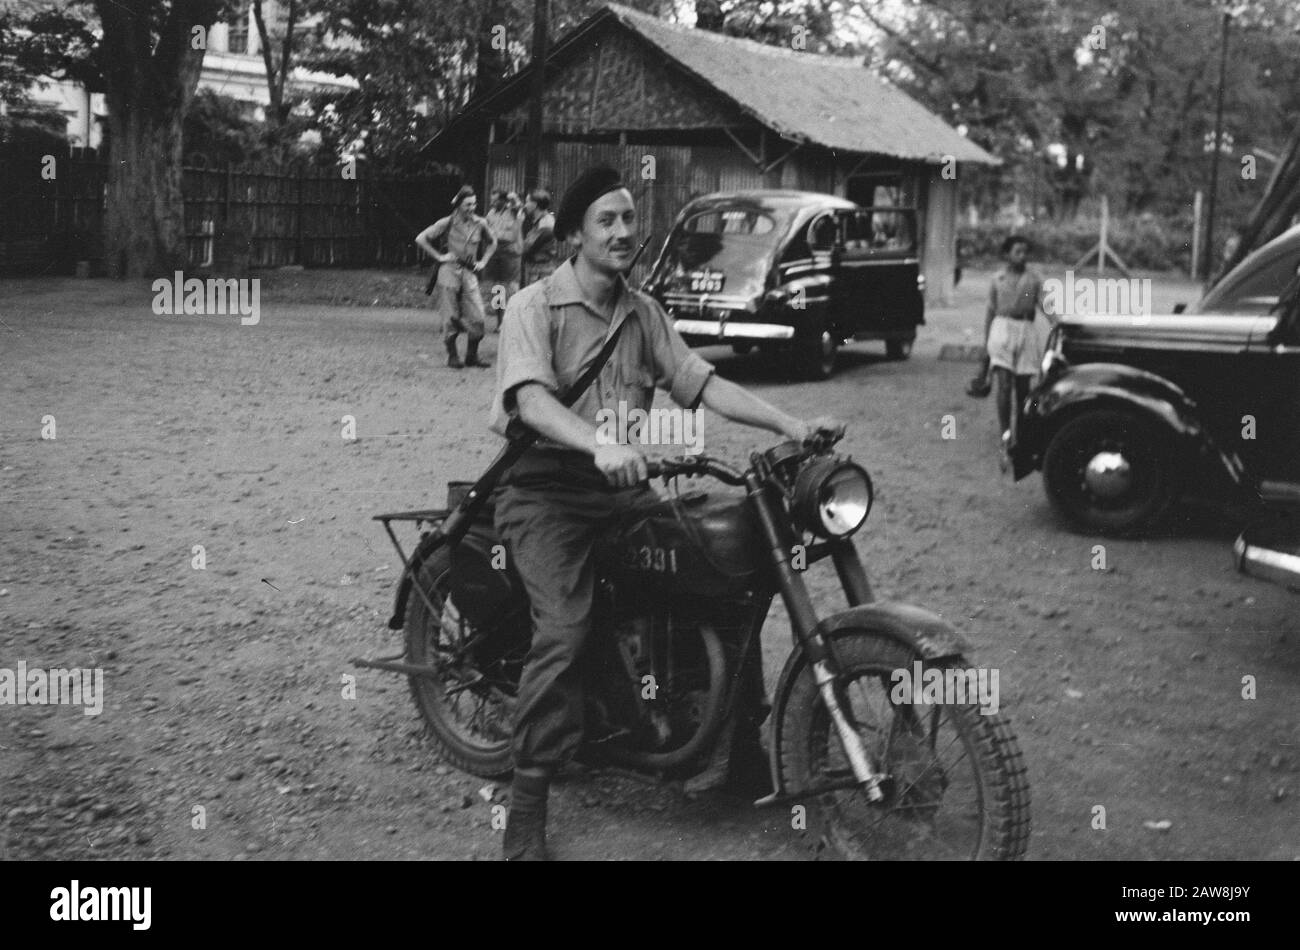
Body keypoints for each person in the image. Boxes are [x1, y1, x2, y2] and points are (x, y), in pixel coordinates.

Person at [490, 165, 843, 861]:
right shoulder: (534, 306)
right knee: (563, 628)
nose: (624, 231)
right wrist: (598, 443)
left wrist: (792, 426)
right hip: (544, 494)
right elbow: (530, 402)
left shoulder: (643, 311)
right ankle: (526, 801)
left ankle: (736, 748)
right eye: (606, 221)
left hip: (620, 492)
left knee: (723, 578)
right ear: (573, 236)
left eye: (629, 218)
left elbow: (702, 383)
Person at [972, 235, 1047, 466]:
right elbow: (990, 312)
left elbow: (1048, 307)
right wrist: (986, 347)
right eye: (1017, 251)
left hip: (1025, 331)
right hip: (1001, 330)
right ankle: (1005, 434)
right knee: (1004, 385)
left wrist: (1061, 324)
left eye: (1025, 252)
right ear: (1007, 254)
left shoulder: (1034, 279)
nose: (1022, 256)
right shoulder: (997, 279)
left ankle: (1021, 435)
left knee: (1023, 390)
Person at [415, 185, 497, 369]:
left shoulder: (480, 223)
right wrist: (439, 256)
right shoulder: (447, 222)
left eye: (474, 204)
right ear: (459, 205)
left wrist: (483, 262)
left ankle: (471, 356)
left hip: (469, 271)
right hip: (449, 270)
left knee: (477, 316)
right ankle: (452, 355)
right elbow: (421, 238)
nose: (472, 208)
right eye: (467, 204)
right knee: (450, 314)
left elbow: (493, 243)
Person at [481, 188, 523, 332]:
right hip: (495, 251)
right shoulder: (491, 214)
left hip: (510, 252)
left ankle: (514, 322)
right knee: (497, 288)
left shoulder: (513, 211)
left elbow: (519, 206)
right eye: (491, 200)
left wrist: (513, 197)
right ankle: (500, 323)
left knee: (511, 287)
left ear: (503, 200)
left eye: (495, 200)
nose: (492, 203)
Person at [520, 188, 558, 287]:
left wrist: (518, 224)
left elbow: (526, 248)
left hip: (541, 272)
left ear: (535, 204)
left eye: (527, 202)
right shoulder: (540, 221)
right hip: (537, 270)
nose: (525, 205)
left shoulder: (545, 223)